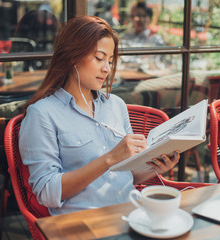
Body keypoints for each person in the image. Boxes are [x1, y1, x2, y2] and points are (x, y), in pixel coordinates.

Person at [18, 16, 179, 215]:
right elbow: (46, 193)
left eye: (110, 61)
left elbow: (127, 176)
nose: (107, 68)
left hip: (132, 211)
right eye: (99, 58)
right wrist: (109, 159)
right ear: (72, 56)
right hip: (85, 223)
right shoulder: (42, 114)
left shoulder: (116, 105)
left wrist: (155, 167)